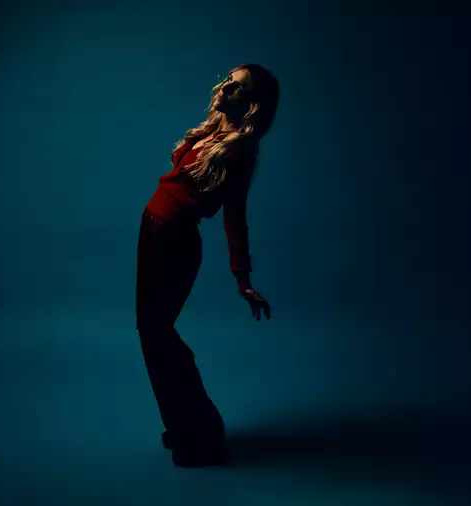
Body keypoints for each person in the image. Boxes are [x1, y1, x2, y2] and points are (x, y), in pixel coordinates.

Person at [135, 63, 280, 467]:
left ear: (252, 104)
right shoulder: (213, 131)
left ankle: (201, 432)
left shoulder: (239, 150)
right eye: (227, 80)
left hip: (174, 241)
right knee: (152, 334)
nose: (224, 87)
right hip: (152, 231)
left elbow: (235, 215)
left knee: (157, 334)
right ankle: (187, 429)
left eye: (237, 87)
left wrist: (242, 277)